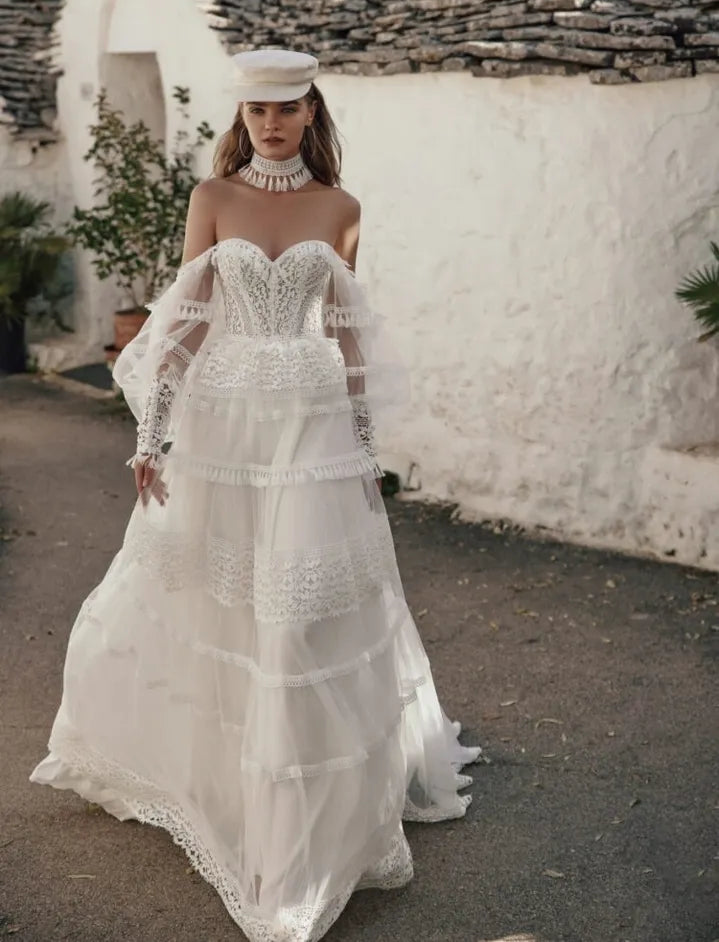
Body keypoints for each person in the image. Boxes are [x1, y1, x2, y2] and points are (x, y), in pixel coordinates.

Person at [29, 48, 483, 942]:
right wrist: (151, 434)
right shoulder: (213, 199)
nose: (271, 124)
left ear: (310, 112)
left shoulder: (341, 209)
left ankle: (302, 806)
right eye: (257, 112)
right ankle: (221, 771)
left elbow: (346, 334)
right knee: (215, 585)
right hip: (224, 423)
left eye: (286, 109)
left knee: (300, 603)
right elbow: (188, 320)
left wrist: (360, 449)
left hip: (308, 421)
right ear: (242, 118)